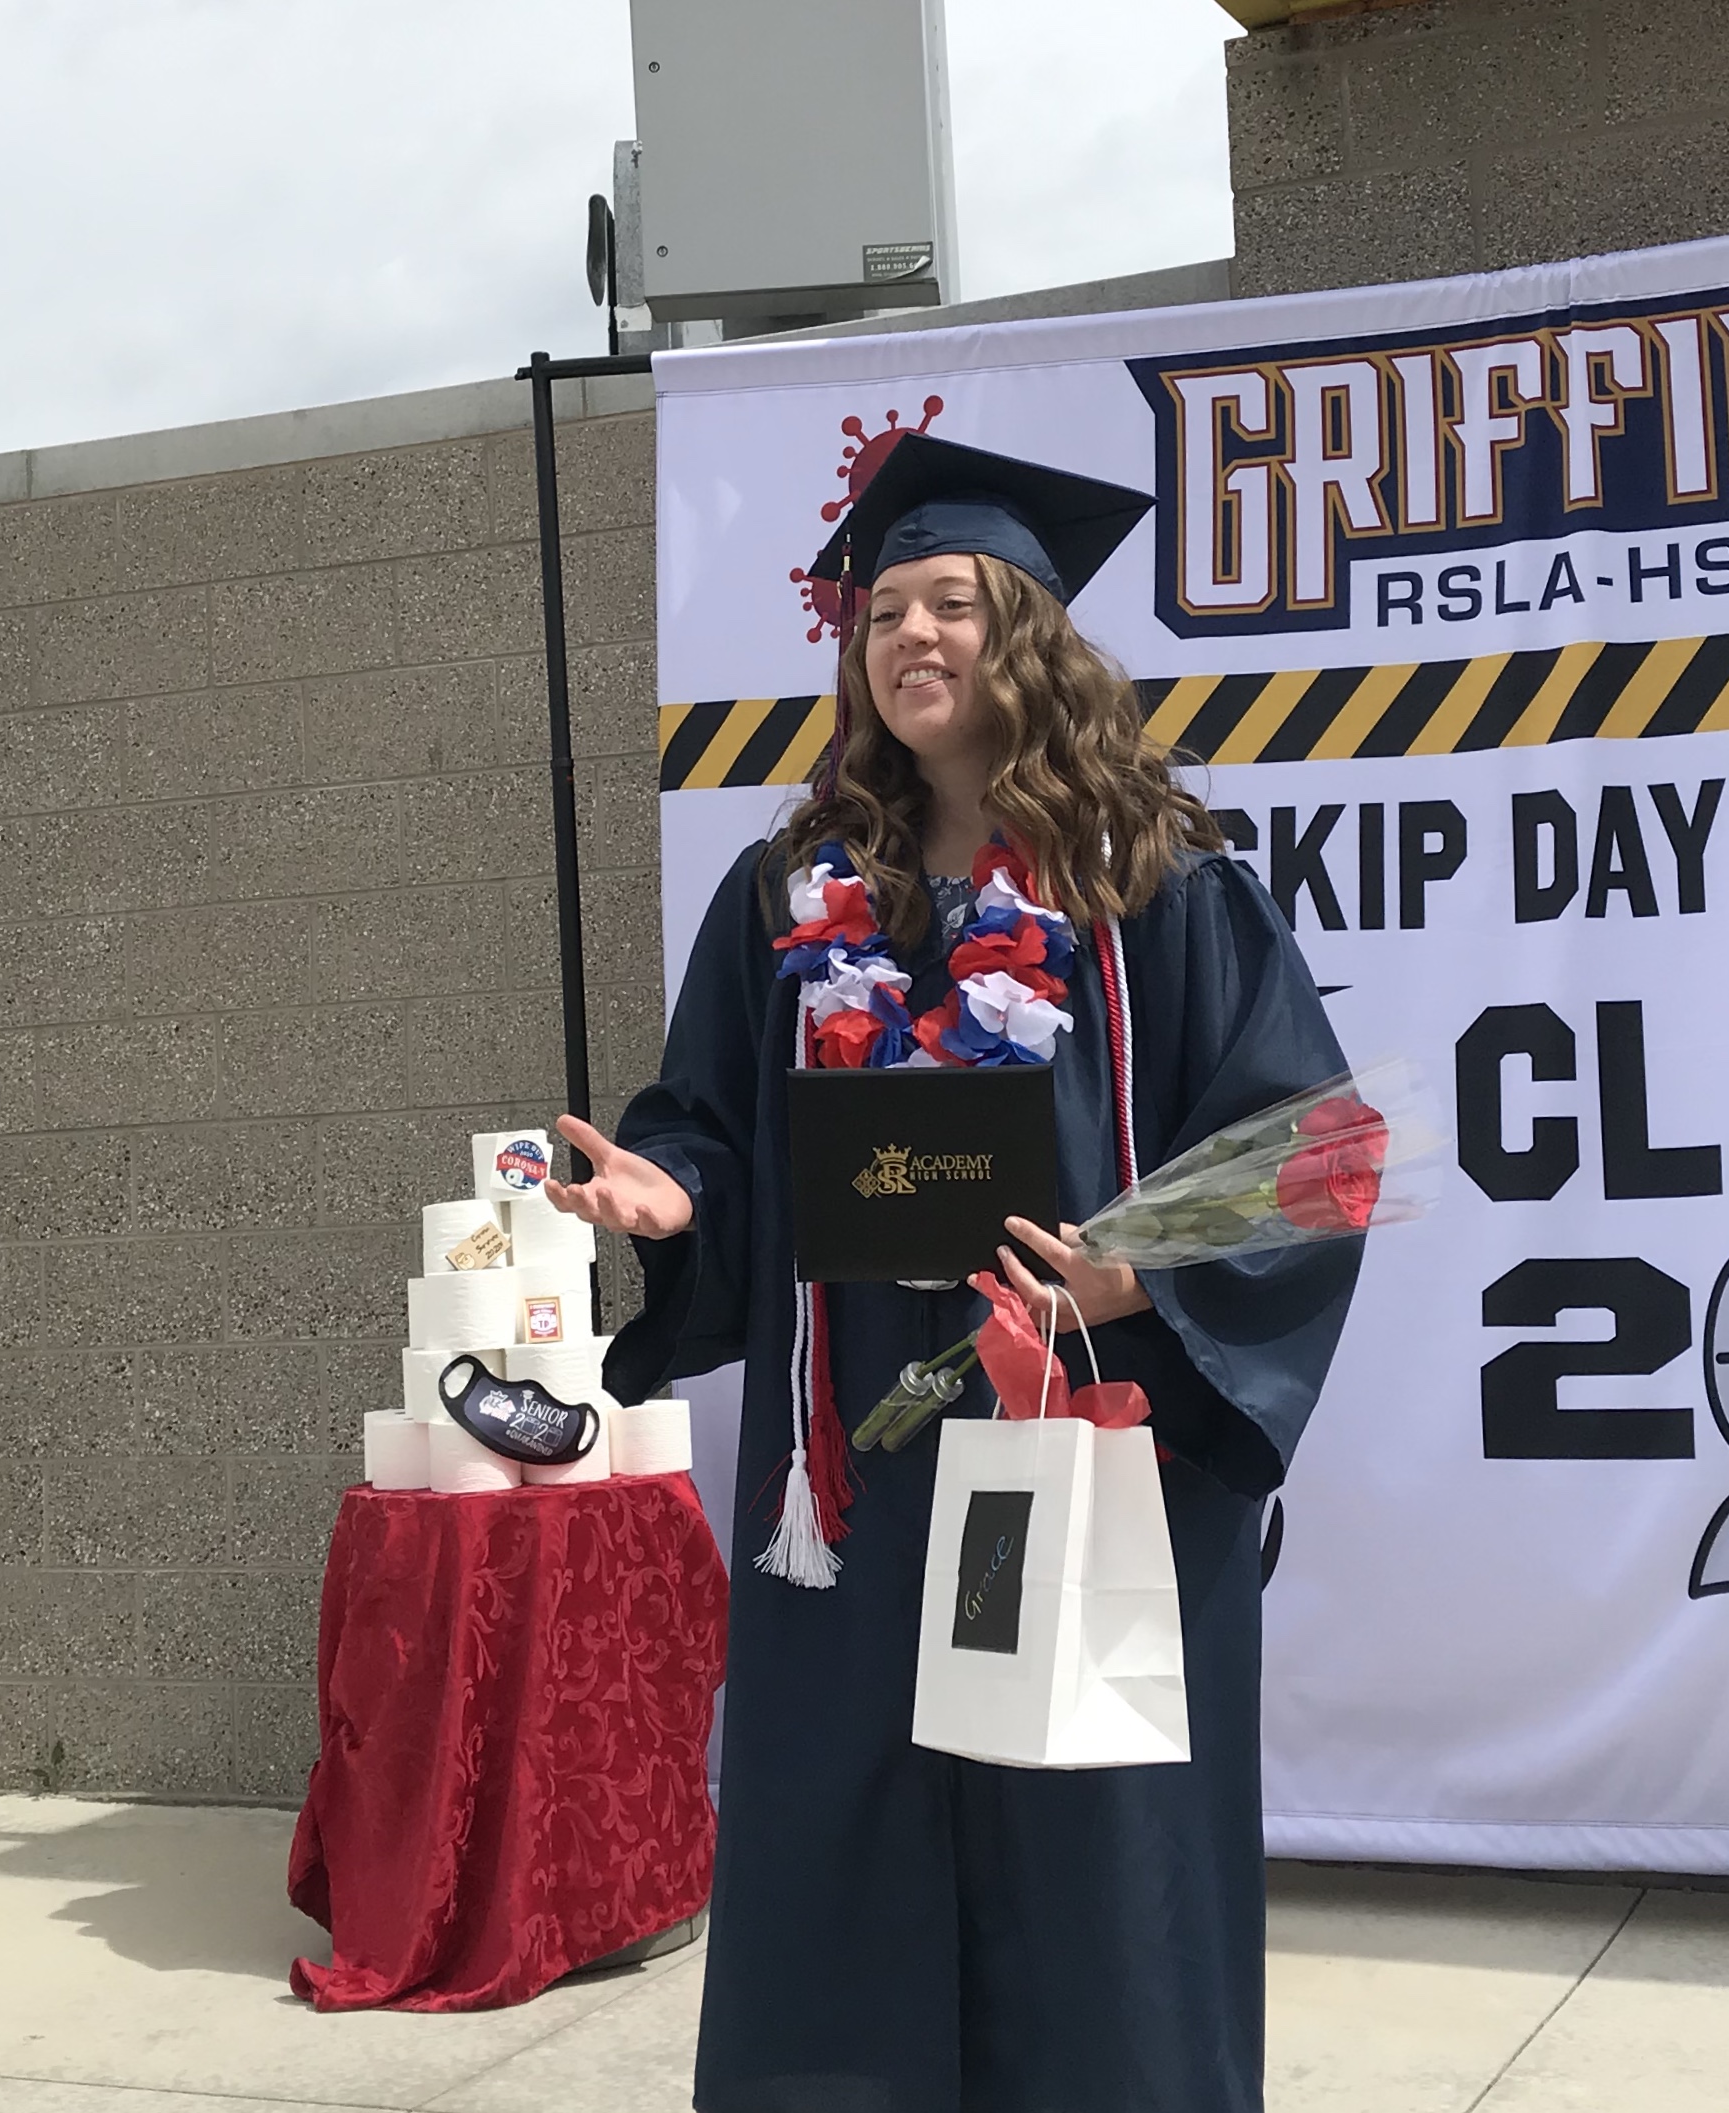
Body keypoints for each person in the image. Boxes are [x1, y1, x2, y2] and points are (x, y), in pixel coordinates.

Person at [545, 432, 1358, 2113]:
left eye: (953, 602)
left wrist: (1131, 1282)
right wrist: (672, 1199)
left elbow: (1309, 1157)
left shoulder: (1165, 887)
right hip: (857, 1459)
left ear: (1034, 635)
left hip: (1078, 1427)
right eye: (881, 608)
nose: (909, 634)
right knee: (847, 1832)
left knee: (1090, 1838)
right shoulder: (788, 895)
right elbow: (710, 1123)